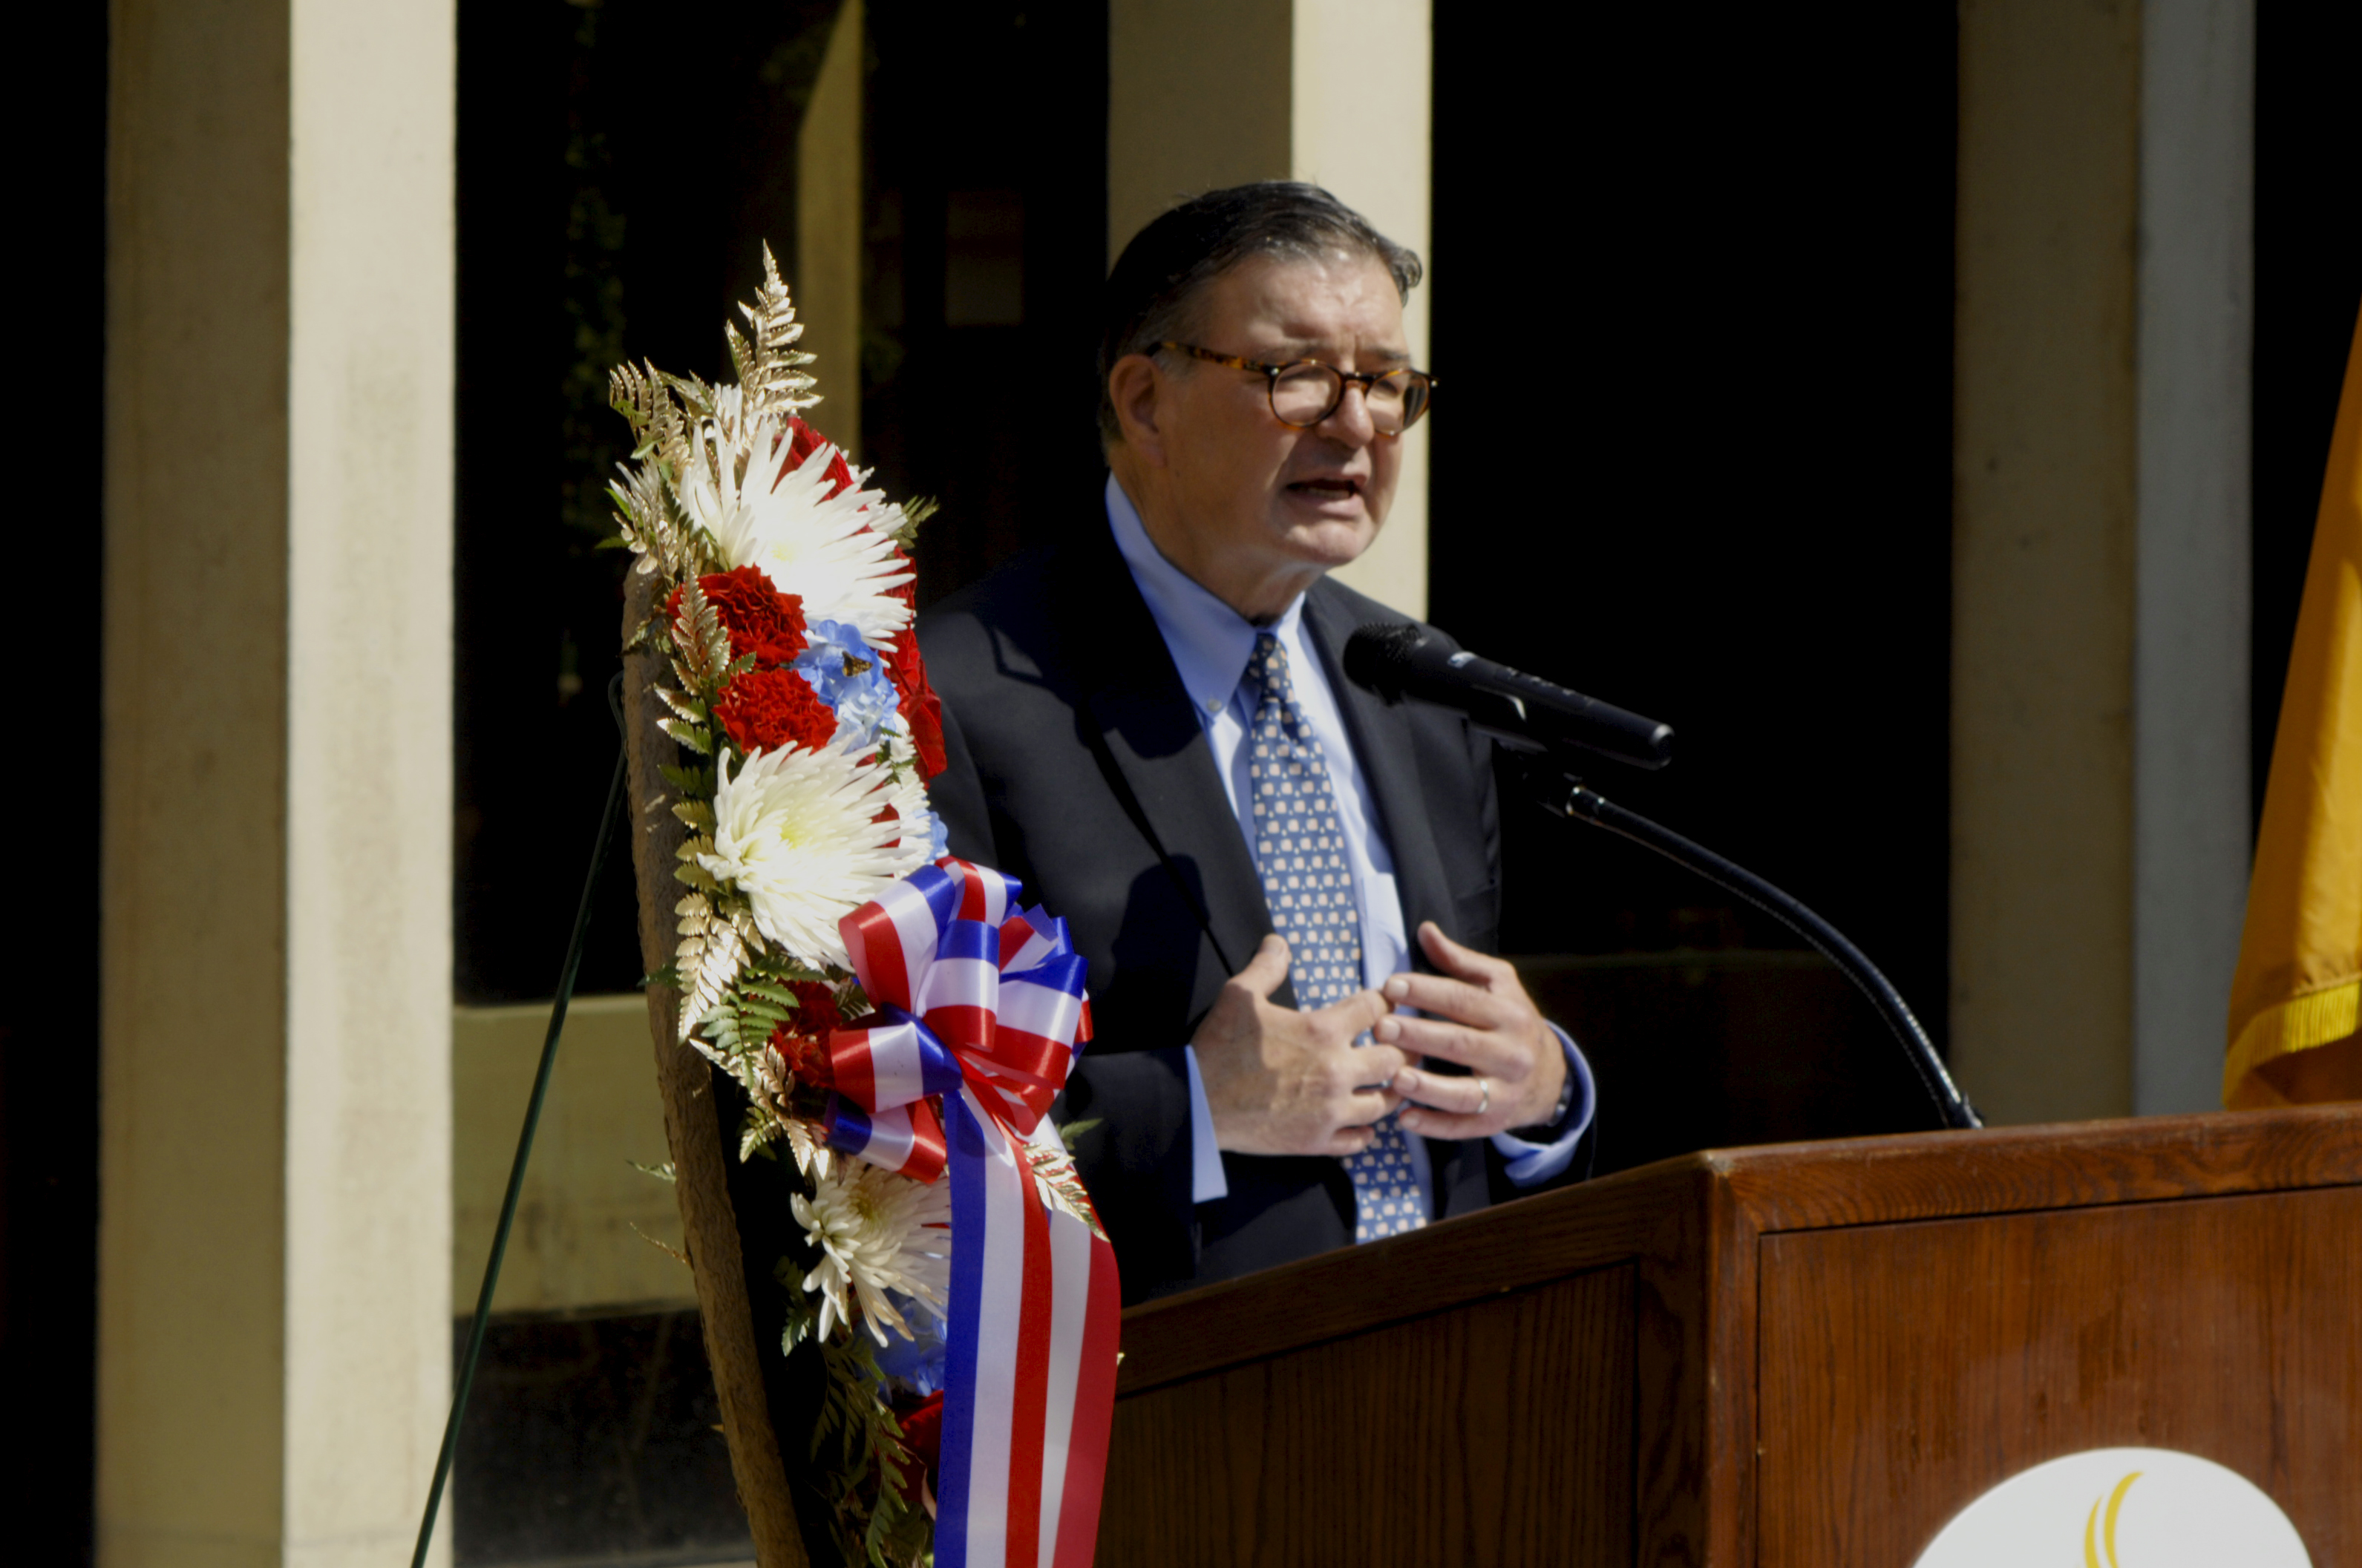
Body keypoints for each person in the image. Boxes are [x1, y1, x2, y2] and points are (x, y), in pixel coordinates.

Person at [917, 183, 1595, 1303]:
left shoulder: (1423, 686)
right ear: (1145, 401)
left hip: (1456, 1369)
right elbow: (900, 1130)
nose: (1356, 424)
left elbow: (1484, 1115)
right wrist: (1195, 1107)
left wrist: (1544, 1092)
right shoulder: (953, 698)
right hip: (1165, 1391)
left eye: (1386, 383)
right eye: (1298, 375)